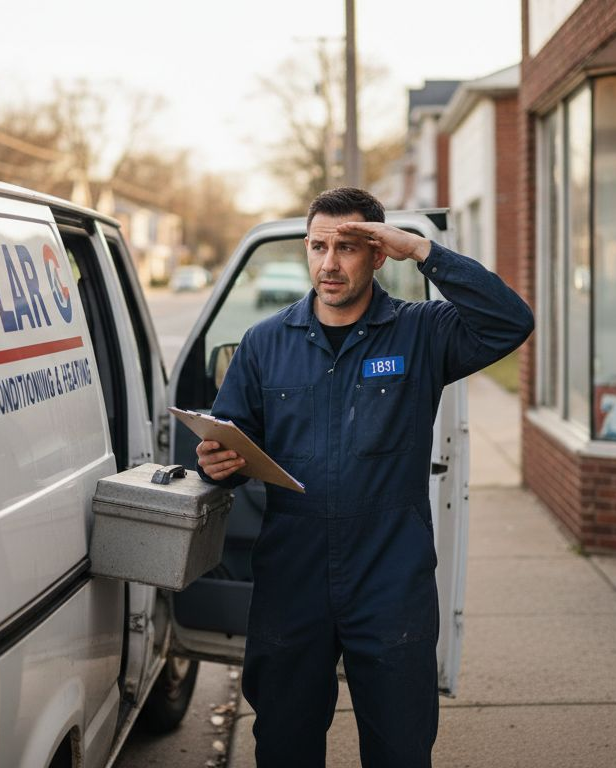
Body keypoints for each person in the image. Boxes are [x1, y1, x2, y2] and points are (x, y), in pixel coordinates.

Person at [196, 187, 533, 767]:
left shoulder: (421, 332)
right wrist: (218, 466)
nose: (329, 263)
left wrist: (425, 252)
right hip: (292, 575)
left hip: (389, 576)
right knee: (283, 742)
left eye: (347, 247)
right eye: (318, 246)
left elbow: (509, 322)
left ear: (378, 254)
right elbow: (231, 440)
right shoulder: (264, 343)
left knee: (400, 747)